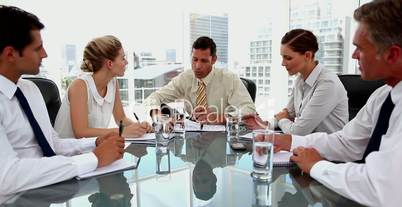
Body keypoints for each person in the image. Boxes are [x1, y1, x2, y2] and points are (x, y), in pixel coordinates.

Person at [270, 0, 402, 207]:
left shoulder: (329, 82)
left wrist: (317, 166)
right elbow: (346, 142)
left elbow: (384, 188)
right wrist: (289, 140)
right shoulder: (383, 95)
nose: (354, 56)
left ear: (392, 54)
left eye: (359, 48)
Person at [0, 5, 124, 195]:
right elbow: (7, 177)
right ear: (11, 54)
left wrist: (95, 143)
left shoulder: (30, 90)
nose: (45, 54)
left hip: (50, 191)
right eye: (37, 48)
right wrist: (94, 158)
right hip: (14, 203)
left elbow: (53, 144)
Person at [243, 29, 348, 135]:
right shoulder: (300, 79)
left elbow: (297, 132)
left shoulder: (327, 83)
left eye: (288, 58)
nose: (283, 63)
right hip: (306, 146)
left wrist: (282, 120)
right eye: (282, 57)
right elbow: (289, 113)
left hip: (326, 149)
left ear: (307, 56)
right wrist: (264, 124)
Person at [54, 35, 151, 138]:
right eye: (123, 58)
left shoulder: (113, 82)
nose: (126, 62)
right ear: (109, 63)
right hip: (68, 151)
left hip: (91, 148)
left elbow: (121, 119)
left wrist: (139, 127)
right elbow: (81, 133)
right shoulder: (80, 85)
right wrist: (121, 132)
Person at [144, 36, 256, 124]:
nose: (197, 66)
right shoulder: (185, 78)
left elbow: (249, 109)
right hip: (193, 140)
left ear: (214, 60)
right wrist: (157, 114)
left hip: (223, 141)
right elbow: (154, 97)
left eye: (204, 61)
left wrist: (219, 117)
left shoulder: (229, 79)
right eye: (195, 59)